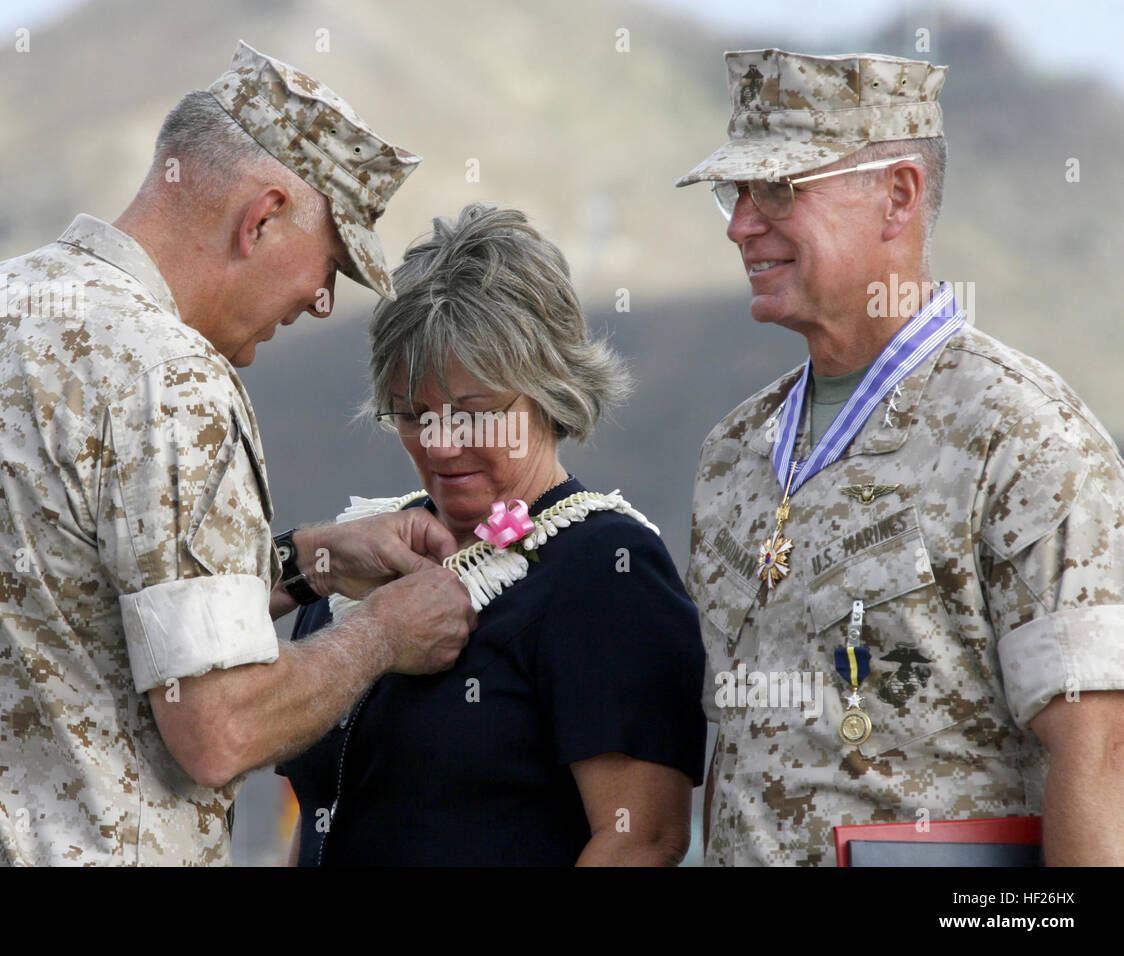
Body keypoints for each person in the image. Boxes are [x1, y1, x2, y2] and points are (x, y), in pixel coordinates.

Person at [0, 41, 476, 866]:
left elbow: (70, 604)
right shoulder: (174, 378)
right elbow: (219, 727)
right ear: (262, 215)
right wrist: (382, 634)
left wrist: (310, 565)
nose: (319, 301)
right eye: (331, 264)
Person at [679, 49, 1124, 866]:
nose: (741, 224)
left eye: (778, 189)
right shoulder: (733, 451)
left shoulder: (1021, 435)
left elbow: (1098, 755)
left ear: (897, 196)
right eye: (734, 195)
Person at [278, 203, 706, 866]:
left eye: (474, 413)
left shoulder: (607, 569)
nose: (442, 445)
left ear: (549, 390)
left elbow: (640, 839)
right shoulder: (361, 557)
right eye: (415, 414)